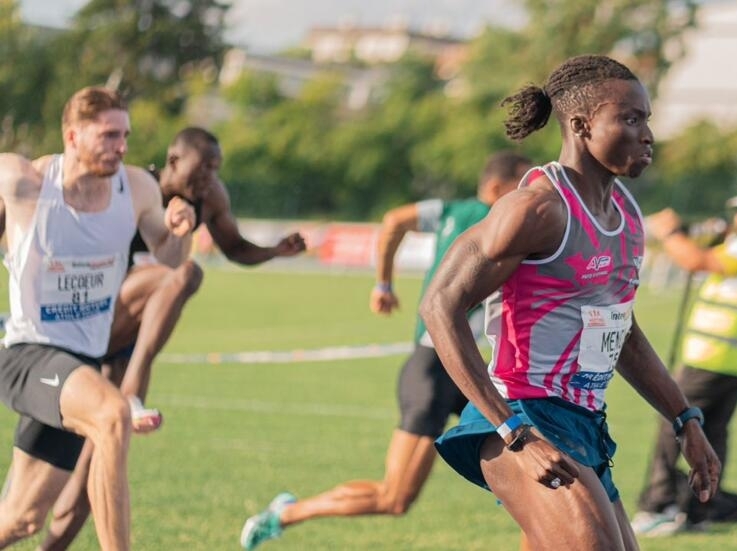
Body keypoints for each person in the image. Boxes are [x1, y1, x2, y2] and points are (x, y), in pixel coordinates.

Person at [417, 54, 720, 551]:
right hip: (521, 414)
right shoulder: (536, 209)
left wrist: (684, 418)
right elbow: (439, 305)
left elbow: (620, 329)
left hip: (583, 422)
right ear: (581, 126)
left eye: (647, 119)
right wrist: (512, 430)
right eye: (630, 119)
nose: (647, 134)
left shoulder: (626, 214)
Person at [239, 150, 533, 550]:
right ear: (497, 189)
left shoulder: (449, 210)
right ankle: (285, 513)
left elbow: (395, 219)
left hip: (470, 366)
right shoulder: (487, 219)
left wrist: (384, 283)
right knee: (395, 497)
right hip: (435, 368)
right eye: (521, 185)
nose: (529, 194)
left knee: (535, 468)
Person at [34, 126, 308, 551]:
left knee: (95, 476)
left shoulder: (211, 198)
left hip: (119, 345)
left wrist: (274, 251)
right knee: (184, 272)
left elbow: (234, 246)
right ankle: (133, 391)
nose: (210, 177)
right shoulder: (132, 187)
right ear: (174, 160)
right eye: (204, 167)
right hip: (92, 319)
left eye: (217, 169)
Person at [0, 86, 196, 550]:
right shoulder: (23, 181)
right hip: (28, 354)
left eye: (124, 135)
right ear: (72, 135)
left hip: (80, 364)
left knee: (21, 519)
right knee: (112, 416)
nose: (121, 146)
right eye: (108, 135)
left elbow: (169, 259)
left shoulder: (137, 189)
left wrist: (180, 229)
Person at [631, 176, 737, 536]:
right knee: (712, 431)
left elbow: (696, 260)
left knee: (675, 421)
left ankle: (659, 506)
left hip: (716, 353)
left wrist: (671, 233)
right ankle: (697, 513)